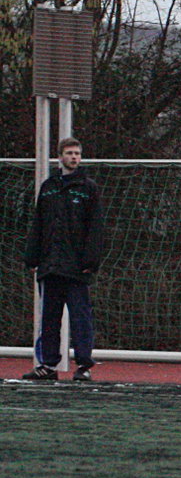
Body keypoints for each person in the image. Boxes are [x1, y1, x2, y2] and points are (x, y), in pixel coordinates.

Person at [21, 137, 104, 382]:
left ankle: (84, 364)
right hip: (50, 265)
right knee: (49, 319)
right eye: (69, 153)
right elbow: (39, 224)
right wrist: (32, 257)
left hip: (76, 267)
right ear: (60, 157)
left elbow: (95, 228)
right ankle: (48, 364)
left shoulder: (88, 188)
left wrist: (91, 261)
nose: (74, 157)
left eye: (77, 153)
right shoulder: (49, 187)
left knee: (80, 318)